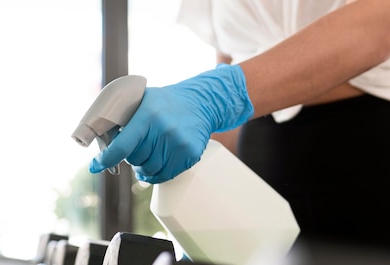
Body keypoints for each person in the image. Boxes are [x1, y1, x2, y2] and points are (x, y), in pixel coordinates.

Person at [89, 0, 390, 245]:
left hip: (368, 148)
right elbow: (231, 64)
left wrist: (222, 93)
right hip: (260, 164)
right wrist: (190, 160)